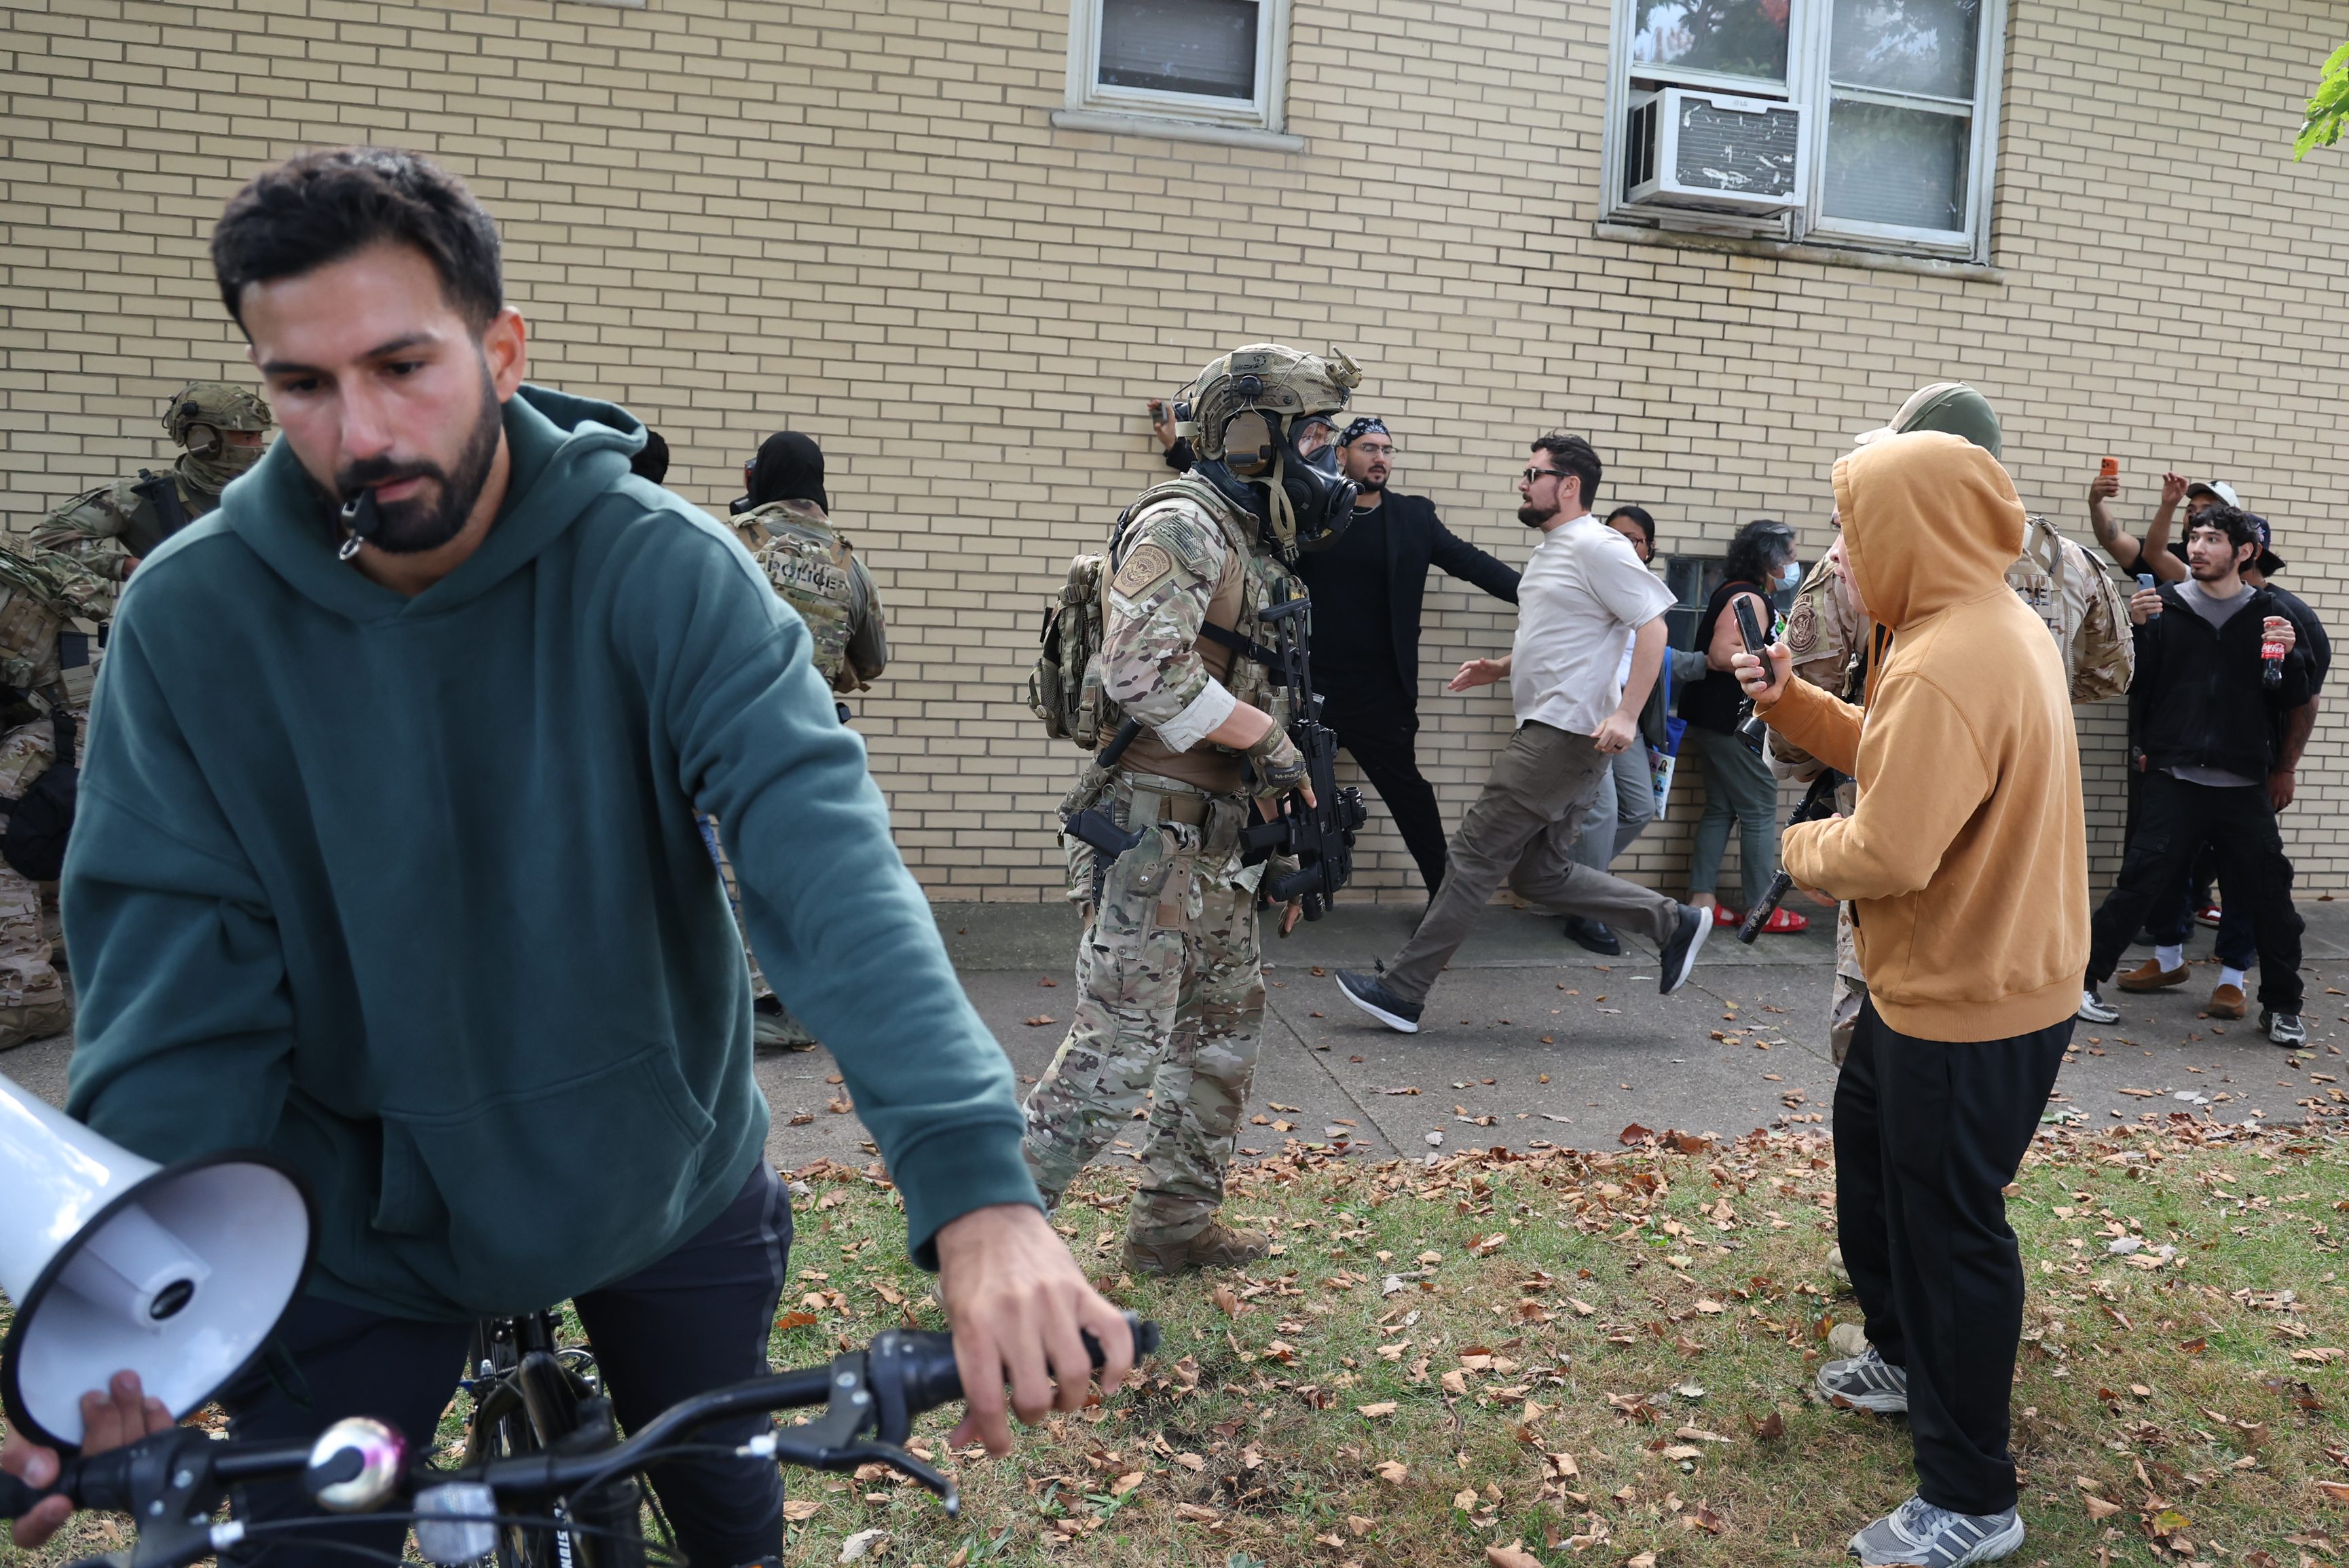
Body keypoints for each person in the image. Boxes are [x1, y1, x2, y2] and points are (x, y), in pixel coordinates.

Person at [1, 147, 1129, 1565]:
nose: (361, 431)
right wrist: (130, 1306)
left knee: (728, 1511)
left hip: (654, 1177)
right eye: (302, 385)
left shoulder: (660, 569)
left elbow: (821, 864)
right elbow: (175, 1000)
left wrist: (977, 1193)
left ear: (501, 348)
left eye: (403, 364)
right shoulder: (190, 623)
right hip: (355, 1224)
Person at [1733, 429, 2088, 1567]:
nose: (1840, 550)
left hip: (1967, 997)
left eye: (1852, 523)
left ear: (1911, 526)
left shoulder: (1950, 653)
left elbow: (1888, 848)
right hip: (1945, 983)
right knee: (1877, 1165)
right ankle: (1900, 1354)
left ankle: (1973, 1498)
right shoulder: (1972, 622)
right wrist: (1796, 705)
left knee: (1950, 1235)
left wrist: (1791, 849)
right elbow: (1904, 755)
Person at [1022, 341, 1351, 1275]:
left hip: (1214, 840)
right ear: (1251, 437)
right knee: (1117, 1047)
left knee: (1220, 1030)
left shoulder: (1248, 538)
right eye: (1313, 436)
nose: (1326, 459)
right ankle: (990, 1236)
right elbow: (1139, 670)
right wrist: (1268, 740)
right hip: (1150, 828)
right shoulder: (1185, 522)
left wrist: (1286, 821)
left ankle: (1173, 1228)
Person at [1773, 381, 2134, 1062]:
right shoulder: (2069, 563)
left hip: (1904, 888)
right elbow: (2108, 674)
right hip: (2019, 861)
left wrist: (1801, 830)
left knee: (1880, 1068)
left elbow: (1806, 711)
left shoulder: (1876, 565)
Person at [1331, 433, 1713, 1034]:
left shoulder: (1598, 545)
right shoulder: (1556, 550)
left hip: (1562, 735)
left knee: (1474, 856)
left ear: (1568, 486)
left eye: (1533, 474)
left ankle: (1402, 992)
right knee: (1540, 875)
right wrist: (1502, 668)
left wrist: (1625, 713)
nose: (1522, 482)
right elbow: (1570, 633)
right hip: (1558, 732)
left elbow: (1654, 628)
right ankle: (1673, 923)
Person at [2079, 506, 2312, 1045]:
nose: (2198, 548)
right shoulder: (2164, 610)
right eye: (2194, 538)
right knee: (2137, 886)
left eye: (2212, 539)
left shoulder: (2271, 615)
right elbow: (2137, 686)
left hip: (2242, 785)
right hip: (2175, 777)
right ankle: (2083, 984)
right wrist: (2135, 634)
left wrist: (2292, 656)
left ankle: (2282, 1007)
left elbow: (2293, 698)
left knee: (2270, 897)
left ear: (2245, 552)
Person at [1285, 415, 1520, 896]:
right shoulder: (1308, 509)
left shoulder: (1413, 518)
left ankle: (1446, 900)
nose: (1380, 457)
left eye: (1388, 450)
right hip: (1310, 685)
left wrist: (1544, 593)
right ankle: (1258, 892)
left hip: (1381, 691)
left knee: (1409, 795)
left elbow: (1472, 564)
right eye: (1369, 447)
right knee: (1276, 787)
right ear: (1344, 453)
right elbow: (1243, 508)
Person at [723, 430, 889, 1049]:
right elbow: (872, 661)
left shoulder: (736, 543)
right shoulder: (850, 563)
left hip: (726, 732)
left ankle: (711, 995)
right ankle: (793, 1004)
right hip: (810, 734)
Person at [1561, 504, 1709, 955]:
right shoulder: (1592, 582)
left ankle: (1571, 884)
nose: (1625, 546)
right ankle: (1586, 911)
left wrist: (1708, 664)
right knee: (1602, 812)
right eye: (1616, 537)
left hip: (1629, 717)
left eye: (1635, 540)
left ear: (1649, 548)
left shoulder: (1649, 592)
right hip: (1590, 714)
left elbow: (1655, 655)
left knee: (1640, 807)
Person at [31, 381, 274, 620]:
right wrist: (131, 567)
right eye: (247, 436)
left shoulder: (272, 494)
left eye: (259, 436)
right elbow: (48, 539)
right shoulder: (141, 496)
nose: (258, 446)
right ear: (202, 438)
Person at [0, 546, 112, 1052]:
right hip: (74, 713)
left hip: (74, 726)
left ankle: (30, 998)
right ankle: (67, 932)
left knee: (6, 828)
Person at [1678, 519, 1807, 933]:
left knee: (1721, 807)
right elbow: (1720, 653)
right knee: (1759, 802)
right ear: (1769, 560)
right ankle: (1759, 907)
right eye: (1788, 555)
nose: (1794, 563)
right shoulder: (1748, 597)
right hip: (1729, 720)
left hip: (1708, 717)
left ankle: (1702, 901)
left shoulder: (1735, 591)